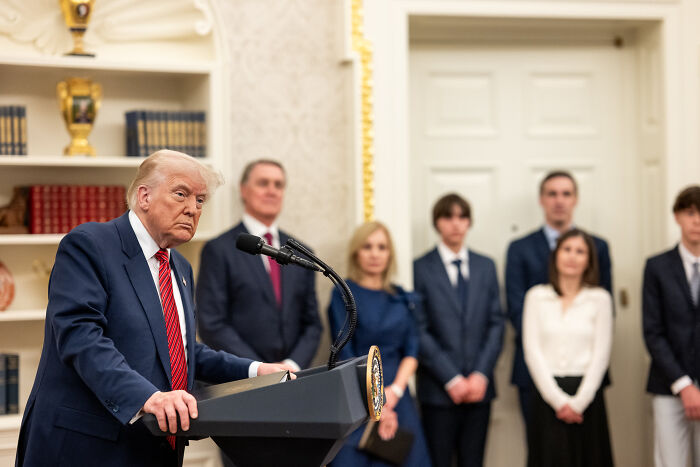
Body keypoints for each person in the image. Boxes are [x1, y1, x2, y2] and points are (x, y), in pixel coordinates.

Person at [15, 150, 292, 467]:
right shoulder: (90, 244)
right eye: (181, 194)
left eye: (200, 200)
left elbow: (182, 352)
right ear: (144, 196)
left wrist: (255, 371)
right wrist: (147, 397)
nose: (192, 209)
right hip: (86, 447)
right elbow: (82, 338)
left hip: (152, 449)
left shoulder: (180, 268)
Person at [506, 170, 612, 430]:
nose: (559, 201)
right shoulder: (520, 248)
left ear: (575, 199)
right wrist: (549, 376)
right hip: (536, 372)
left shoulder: (598, 246)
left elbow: (605, 311)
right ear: (541, 199)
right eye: (552, 194)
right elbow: (516, 308)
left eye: (566, 194)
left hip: (586, 374)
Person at [196, 159, 321, 371]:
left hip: (293, 379)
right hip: (241, 378)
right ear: (244, 190)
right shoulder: (219, 249)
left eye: (278, 185)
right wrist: (259, 368)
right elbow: (212, 324)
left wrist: (291, 364)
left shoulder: (302, 253)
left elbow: (312, 324)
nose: (272, 191)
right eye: (263, 183)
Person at [327, 221, 432, 467]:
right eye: (368, 246)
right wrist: (376, 402)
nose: (375, 253)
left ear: (390, 254)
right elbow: (345, 353)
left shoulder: (402, 298)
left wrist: (393, 393)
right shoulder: (343, 293)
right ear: (356, 252)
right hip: (356, 392)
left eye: (382, 247)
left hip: (398, 394)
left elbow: (412, 350)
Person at [414, 193, 504, 467]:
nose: (455, 224)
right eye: (448, 217)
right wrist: (451, 378)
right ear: (437, 222)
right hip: (438, 390)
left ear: (469, 222)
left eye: (462, 217)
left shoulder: (486, 266)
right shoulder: (419, 268)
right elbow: (419, 328)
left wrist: (480, 374)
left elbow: (496, 323)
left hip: (480, 389)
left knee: (473, 461)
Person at [523, 228, 614, 467]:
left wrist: (578, 402)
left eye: (580, 251)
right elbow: (532, 351)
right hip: (547, 395)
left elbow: (601, 355)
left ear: (589, 260)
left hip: (586, 394)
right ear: (555, 256)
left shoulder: (600, 298)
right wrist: (558, 401)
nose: (572, 256)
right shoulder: (536, 296)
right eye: (567, 250)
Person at [643, 185, 700, 467]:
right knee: (670, 461)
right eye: (691, 213)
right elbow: (653, 331)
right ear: (678, 216)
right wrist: (684, 385)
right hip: (669, 384)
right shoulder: (657, 267)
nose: (697, 221)